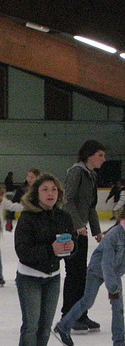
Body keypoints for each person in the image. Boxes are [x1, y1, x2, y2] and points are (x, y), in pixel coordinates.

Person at [14, 174, 76, 346]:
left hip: (52, 278)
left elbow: (71, 243)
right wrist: (50, 249)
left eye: (54, 190)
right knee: (31, 325)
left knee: (45, 326)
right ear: (36, 194)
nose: (50, 193)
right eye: (45, 190)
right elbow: (22, 251)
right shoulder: (27, 218)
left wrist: (70, 249)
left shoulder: (63, 217)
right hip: (29, 276)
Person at [54, 208, 125, 346]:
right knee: (87, 301)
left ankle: (120, 343)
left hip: (114, 273)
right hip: (97, 270)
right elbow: (106, 263)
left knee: (118, 308)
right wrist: (113, 287)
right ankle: (63, 326)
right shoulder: (114, 236)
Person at [61, 139, 105, 332]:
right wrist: (78, 225)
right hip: (71, 231)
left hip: (82, 232)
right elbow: (67, 201)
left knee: (82, 276)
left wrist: (97, 231)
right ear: (89, 156)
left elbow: (91, 207)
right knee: (74, 275)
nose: (104, 159)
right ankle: (68, 316)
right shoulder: (76, 172)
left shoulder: (91, 175)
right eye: (100, 155)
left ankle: (80, 314)